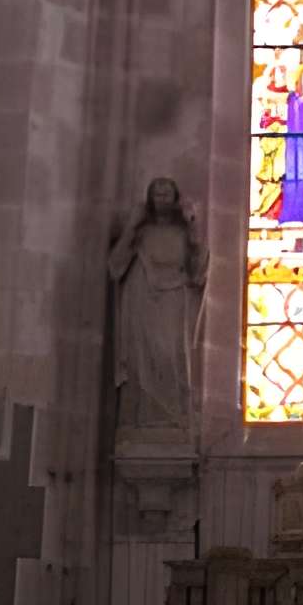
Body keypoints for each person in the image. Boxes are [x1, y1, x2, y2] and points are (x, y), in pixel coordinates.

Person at [108, 178, 207, 432]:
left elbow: (198, 272)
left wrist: (193, 226)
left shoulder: (183, 234)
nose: (161, 197)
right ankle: (139, 423)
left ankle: (173, 421)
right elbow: (115, 266)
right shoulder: (141, 233)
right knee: (140, 362)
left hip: (173, 302)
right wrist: (131, 226)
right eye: (157, 193)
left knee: (170, 357)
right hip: (141, 300)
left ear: (176, 198)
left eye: (167, 193)